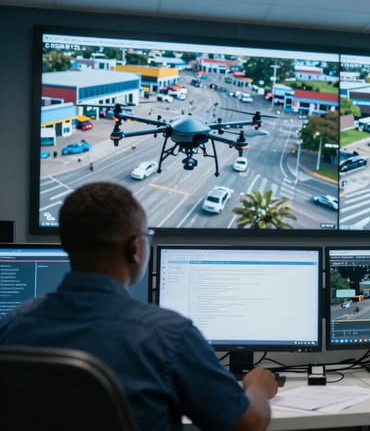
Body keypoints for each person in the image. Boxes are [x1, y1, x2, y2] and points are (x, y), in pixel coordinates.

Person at [0, 182, 277, 431]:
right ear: (135, 248)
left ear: (66, 245)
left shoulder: (11, 326)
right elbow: (247, 426)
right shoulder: (168, 336)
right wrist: (257, 387)